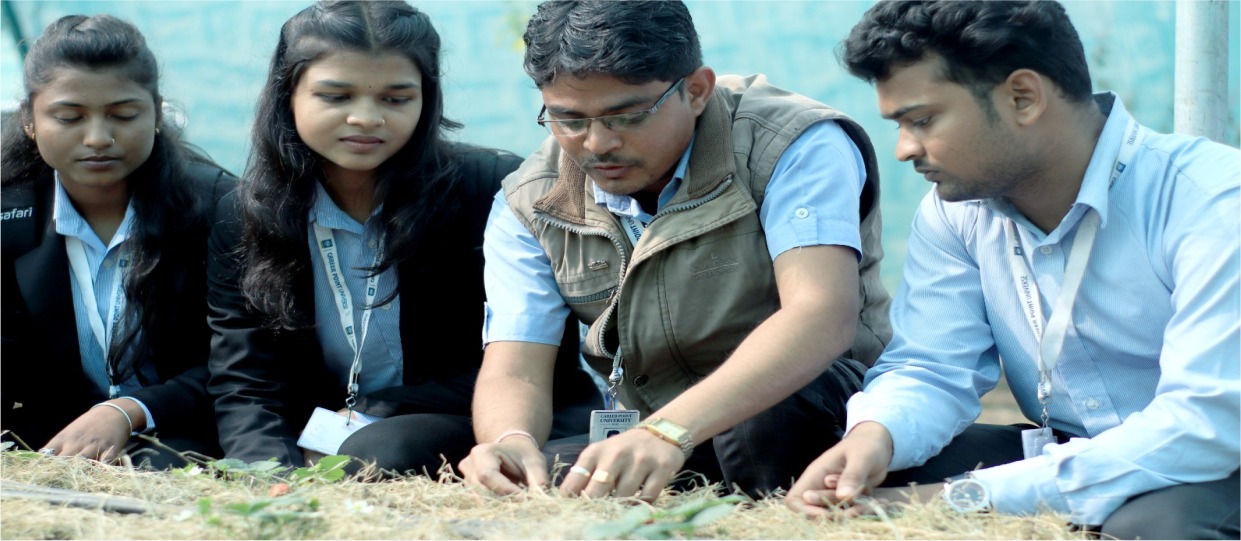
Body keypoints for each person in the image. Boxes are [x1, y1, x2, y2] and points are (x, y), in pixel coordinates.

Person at [785, 2, 1240, 538]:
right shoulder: (956, 211)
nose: (905, 149)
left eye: (922, 120)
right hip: (1071, 445)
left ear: (1023, 97)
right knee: (866, 479)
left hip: (1215, 461)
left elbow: (1202, 426)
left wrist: (960, 499)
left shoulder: (1213, 202)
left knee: (1152, 526)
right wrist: (873, 436)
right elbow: (932, 367)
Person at [459, 0, 891, 501]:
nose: (597, 143)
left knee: (761, 427)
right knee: (548, 482)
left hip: (814, 410)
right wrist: (510, 443)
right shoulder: (530, 198)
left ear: (697, 90)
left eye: (627, 116)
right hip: (653, 431)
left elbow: (821, 314)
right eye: (568, 119)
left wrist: (668, 432)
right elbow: (515, 364)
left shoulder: (792, 143)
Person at [206, 0, 598, 474]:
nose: (366, 118)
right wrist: (271, 474)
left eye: (395, 99)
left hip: (486, 421)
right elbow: (247, 379)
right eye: (336, 96)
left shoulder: (487, 188)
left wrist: (375, 410)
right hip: (328, 428)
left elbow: (532, 362)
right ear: (287, 94)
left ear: (425, 100)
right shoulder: (245, 212)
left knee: (381, 450)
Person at [1, 14, 235, 469]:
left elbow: (245, 361)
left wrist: (129, 411)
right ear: (29, 119)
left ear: (156, 113)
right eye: (69, 117)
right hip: (54, 439)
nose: (98, 138)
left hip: (189, 432)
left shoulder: (218, 206)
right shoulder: (9, 215)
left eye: (123, 115)